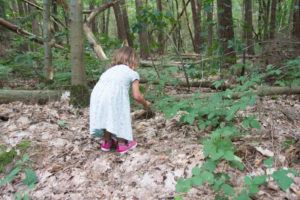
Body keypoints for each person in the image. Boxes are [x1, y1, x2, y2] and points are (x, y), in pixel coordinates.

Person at [89, 46, 151, 154]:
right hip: (113, 95)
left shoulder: (108, 71)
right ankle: (122, 144)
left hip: (96, 95)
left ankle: (107, 142)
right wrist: (145, 104)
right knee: (120, 113)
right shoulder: (132, 73)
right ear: (133, 60)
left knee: (106, 115)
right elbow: (137, 96)